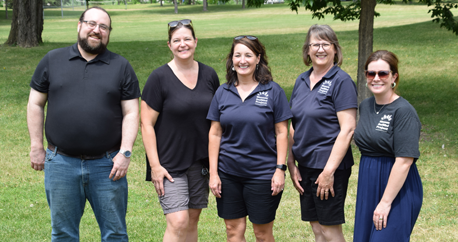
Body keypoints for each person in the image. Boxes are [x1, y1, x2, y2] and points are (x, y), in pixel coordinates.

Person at [27, 7, 140, 241]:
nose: (96, 30)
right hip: (60, 163)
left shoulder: (121, 66)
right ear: (79, 25)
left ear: (109, 33)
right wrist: (36, 145)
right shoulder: (52, 60)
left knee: (115, 234)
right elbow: (35, 104)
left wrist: (125, 153)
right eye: (91, 23)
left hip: (108, 165)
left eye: (103, 27)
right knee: (63, 234)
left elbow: (131, 112)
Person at [141, 19, 220, 242]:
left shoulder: (209, 75)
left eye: (187, 39)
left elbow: (216, 120)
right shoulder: (159, 78)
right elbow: (146, 124)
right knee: (178, 222)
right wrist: (155, 166)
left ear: (195, 42)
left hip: (200, 160)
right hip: (169, 163)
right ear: (169, 45)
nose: (182, 44)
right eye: (176, 40)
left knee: (192, 220)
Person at [207, 35, 292, 242]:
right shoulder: (222, 92)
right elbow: (215, 133)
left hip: (263, 174)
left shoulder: (273, 90)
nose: (242, 60)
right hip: (228, 174)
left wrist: (280, 170)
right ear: (232, 60)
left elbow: (282, 132)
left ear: (258, 59)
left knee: (262, 234)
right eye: (238, 55)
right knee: (233, 231)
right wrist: (213, 173)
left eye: (248, 55)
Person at [287, 24, 357, 242]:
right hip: (305, 165)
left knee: (330, 230)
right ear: (307, 50)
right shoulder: (301, 80)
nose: (320, 49)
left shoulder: (341, 81)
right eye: (314, 44)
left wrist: (328, 173)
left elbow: (348, 129)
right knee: (317, 228)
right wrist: (291, 164)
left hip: (329, 167)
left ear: (335, 49)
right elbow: (293, 125)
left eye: (326, 44)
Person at [353, 50, 423, 241]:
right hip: (369, 184)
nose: (376, 78)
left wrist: (385, 202)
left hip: (397, 188)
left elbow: (404, 162)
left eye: (383, 73)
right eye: (371, 73)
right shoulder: (366, 106)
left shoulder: (404, 111)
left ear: (394, 77)